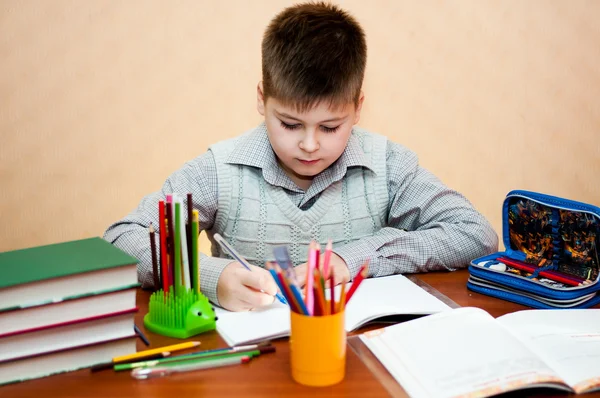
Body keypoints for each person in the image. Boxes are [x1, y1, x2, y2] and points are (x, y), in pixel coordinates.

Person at [104, 2, 498, 312]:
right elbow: (121, 240)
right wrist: (210, 276)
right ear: (262, 99)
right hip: (250, 368)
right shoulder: (217, 172)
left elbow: (475, 234)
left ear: (358, 108)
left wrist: (352, 259)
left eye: (330, 127)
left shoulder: (389, 166)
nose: (310, 145)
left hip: (360, 359)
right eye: (290, 124)